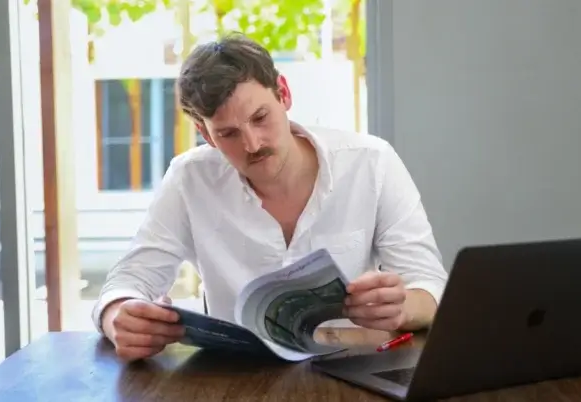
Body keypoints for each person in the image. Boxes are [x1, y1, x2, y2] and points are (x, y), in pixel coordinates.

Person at [92, 33, 449, 362]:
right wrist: (118, 316)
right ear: (204, 133)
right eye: (228, 133)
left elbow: (431, 286)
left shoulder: (372, 162)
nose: (252, 144)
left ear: (283, 93)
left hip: (351, 370)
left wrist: (402, 308)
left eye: (260, 117)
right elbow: (126, 283)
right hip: (236, 379)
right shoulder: (189, 179)